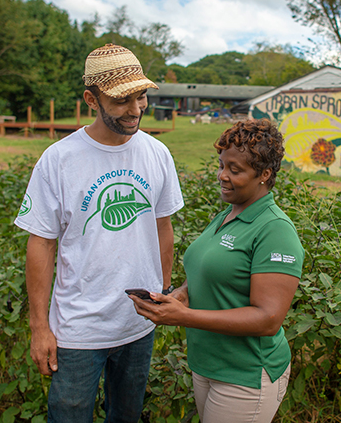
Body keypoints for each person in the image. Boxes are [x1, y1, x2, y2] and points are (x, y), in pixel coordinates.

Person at [14, 44, 184, 423]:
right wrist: (40, 327)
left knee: (126, 415)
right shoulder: (59, 160)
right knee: (69, 415)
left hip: (138, 323)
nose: (136, 109)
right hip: (78, 329)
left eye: (141, 96)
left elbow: (163, 227)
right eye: (122, 99)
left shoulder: (157, 154)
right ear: (92, 99)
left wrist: (163, 291)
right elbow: (40, 244)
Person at [130, 119, 304, 423]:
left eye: (235, 171)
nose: (223, 176)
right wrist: (182, 295)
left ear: (264, 175)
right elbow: (210, 275)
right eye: (221, 165)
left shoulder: (275, 230)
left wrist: (185, 317)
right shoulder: (229, 213)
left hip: (245, 374)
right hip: (208, 365)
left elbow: (268, 318)